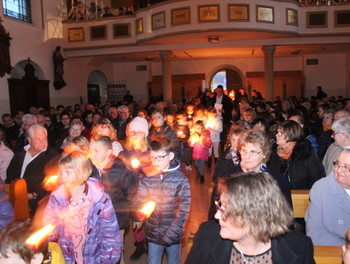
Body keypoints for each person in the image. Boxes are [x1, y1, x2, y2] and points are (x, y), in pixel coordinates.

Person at [186, 172, 315, 264]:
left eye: (226, 210)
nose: (216, 215)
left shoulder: (299, 247)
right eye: (219, 206)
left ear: (254, 216)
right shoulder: (207, 236)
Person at [43, 151, 121, 264]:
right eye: (60, 171)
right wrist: (45, 234)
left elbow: (110, 232)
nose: (62, 176)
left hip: (94, 256)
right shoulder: (57, 198)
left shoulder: (100, 199)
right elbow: (50, 224)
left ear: (81, 172)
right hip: (67, 255)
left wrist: (109, 259)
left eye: (67, 172)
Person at [208, 129, 292, 220]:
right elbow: (214, 214)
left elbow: (286, 217)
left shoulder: (278, 180)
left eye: (253, 152)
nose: (247, 156)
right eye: (244, 151)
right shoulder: (226, 177)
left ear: (264, 153)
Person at [134, 138, 191, 264]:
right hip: (153, 233)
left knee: (173, 260)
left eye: (159, 157)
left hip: (173, 234)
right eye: (152, 157)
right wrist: (139, 216)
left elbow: (183, 210)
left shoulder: (180, 180)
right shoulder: (147, 178)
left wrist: (171, 234)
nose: (155, 161)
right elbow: (141, 200)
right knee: (153, 261)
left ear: (170, 156)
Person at [89, 136, 138, 263]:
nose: (92, 154)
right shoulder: (88, 169)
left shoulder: (121, 170)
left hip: (116, 219)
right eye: (91, 150)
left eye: (96, 151)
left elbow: (132, 194)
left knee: (115, 252)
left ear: (108, 152)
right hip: (94, 220)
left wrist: (137, 217)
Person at [6, 124, 58, 213]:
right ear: (29, 140)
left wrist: (33, 195)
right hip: (16, 198)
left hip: (38, 203)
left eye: (44, 138)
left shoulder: (53, 156)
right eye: (38, 139)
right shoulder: (20, 153)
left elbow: (53, 180)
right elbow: (10, 172)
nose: (42, 142)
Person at [305, 148, 350, 246]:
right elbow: (315, 234)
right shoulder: (321, 188)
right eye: (337, 164)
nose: (339, 170)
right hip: (334, 251)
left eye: (346, 167)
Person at [268, 120, 325, 189]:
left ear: (290, 135)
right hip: (278, 193)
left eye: (280, 133)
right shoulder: (273, 152)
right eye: (277, 132)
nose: (277, 135)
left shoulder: (305, 152)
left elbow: (317, 176)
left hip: (300, 194)